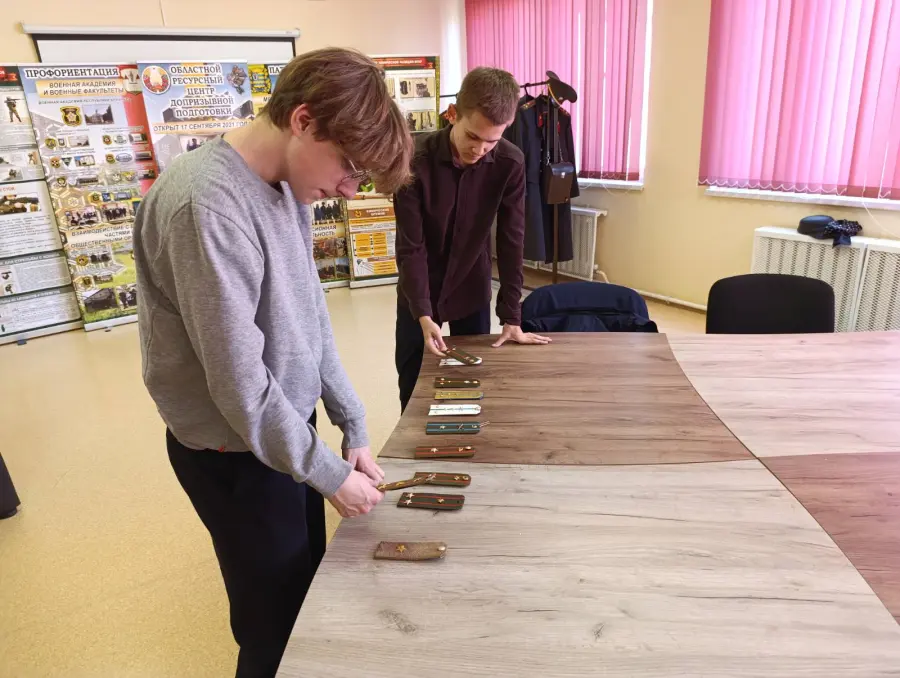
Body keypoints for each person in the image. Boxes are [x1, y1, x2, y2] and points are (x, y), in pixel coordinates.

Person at [133, 48, 413, 678]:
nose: (348, 190)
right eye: (349, 169)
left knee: (306, 597)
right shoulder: (205, 208)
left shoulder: (289, 185)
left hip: (284, 435)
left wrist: (351, 424)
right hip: (234, 453)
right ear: (304, 121)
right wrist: (328, 474)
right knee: (274, 630)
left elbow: (308, 316)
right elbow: (240, 386)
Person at [393, 67, 551, 412]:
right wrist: (423, 313)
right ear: (453, 114)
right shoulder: (413, 160)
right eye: (473, 136)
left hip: (471, 283)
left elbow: (511, 240)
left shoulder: (510, 162)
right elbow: (411, 246)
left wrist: (512, 316)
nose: (480, 149)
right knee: (414, 382)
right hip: (419, 286)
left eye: (492, 141)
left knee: (470, 383)